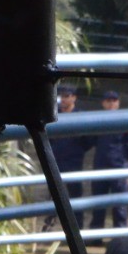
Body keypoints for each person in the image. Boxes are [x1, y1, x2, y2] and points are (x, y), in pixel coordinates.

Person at [87, 91, 128, 230]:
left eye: (114, 101)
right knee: (98, 202)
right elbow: (89, 141)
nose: (111, 104)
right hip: (100, 166)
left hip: (118, 167)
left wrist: (122, 158)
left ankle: (120, 234)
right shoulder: (97, 121)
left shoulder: (125, 120)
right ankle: (96, 235)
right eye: (108, 101)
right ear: (103, 103)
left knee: (120, 203)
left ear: (118, 103)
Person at [44, 85, 93, 230]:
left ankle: (77, 228)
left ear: (74, 97)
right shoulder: (53, 114)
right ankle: (49, 224)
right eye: (61, 96)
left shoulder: (80, 116)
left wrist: (79, 149)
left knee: (75, 195)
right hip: (55, 159)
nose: (63, 99)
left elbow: (88, 139)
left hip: (74, 160)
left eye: (67, 96)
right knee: (53, 194)